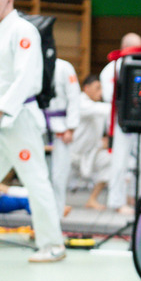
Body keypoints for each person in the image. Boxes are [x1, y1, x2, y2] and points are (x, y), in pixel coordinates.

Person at [0, 0, 65, 262]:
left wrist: (3, 109)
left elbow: (26, 78)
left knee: (35, 180)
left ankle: (53, 245)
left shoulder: (23, 30)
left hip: (19, 118)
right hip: (4, 117)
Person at [101, 32, 141, 215]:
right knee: (120, 161)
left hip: (140, 120)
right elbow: (110, 97)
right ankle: (117, 202)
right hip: (121, 121)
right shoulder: (112, 68)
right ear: (126, 47)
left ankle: (140, 198)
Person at [46, 57, 82, 217]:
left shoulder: (64, 67)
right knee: (40, 177)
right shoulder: (31, 63)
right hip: (37, 126)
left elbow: (74, 98)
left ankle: (57, 215)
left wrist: (71, 127)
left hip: (61, 129)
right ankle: (42, 216)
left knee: (59, 177)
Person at [73, 75, 112, 210]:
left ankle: (92, 199)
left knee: (110, 160)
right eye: (97, 88)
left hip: (90, 153)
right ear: (86, 88)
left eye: (101, 88)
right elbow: (105, 110)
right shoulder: (80, 102)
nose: (100, 92)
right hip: (72, 153)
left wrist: (103, 143)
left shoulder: (98, 106)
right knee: (57, 180)